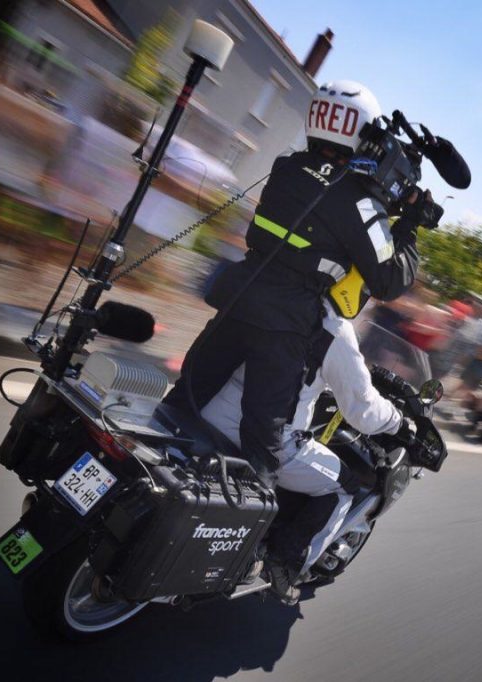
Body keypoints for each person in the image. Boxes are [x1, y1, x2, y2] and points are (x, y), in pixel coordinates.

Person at [163, 80, 436, 488]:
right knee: (263, 452)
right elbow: (388, 278)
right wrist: (409, 226)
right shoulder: (359, 202)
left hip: (239, 297)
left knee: (182, 402)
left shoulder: (286, 168)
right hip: (285, 324)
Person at [202, 299, 410, 604]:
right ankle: (283, 565)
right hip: (263, 436)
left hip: (209, 408)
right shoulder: (333, 328)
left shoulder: (275, 295)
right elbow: (363, 410)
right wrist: (398, 421)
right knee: (343, 487)